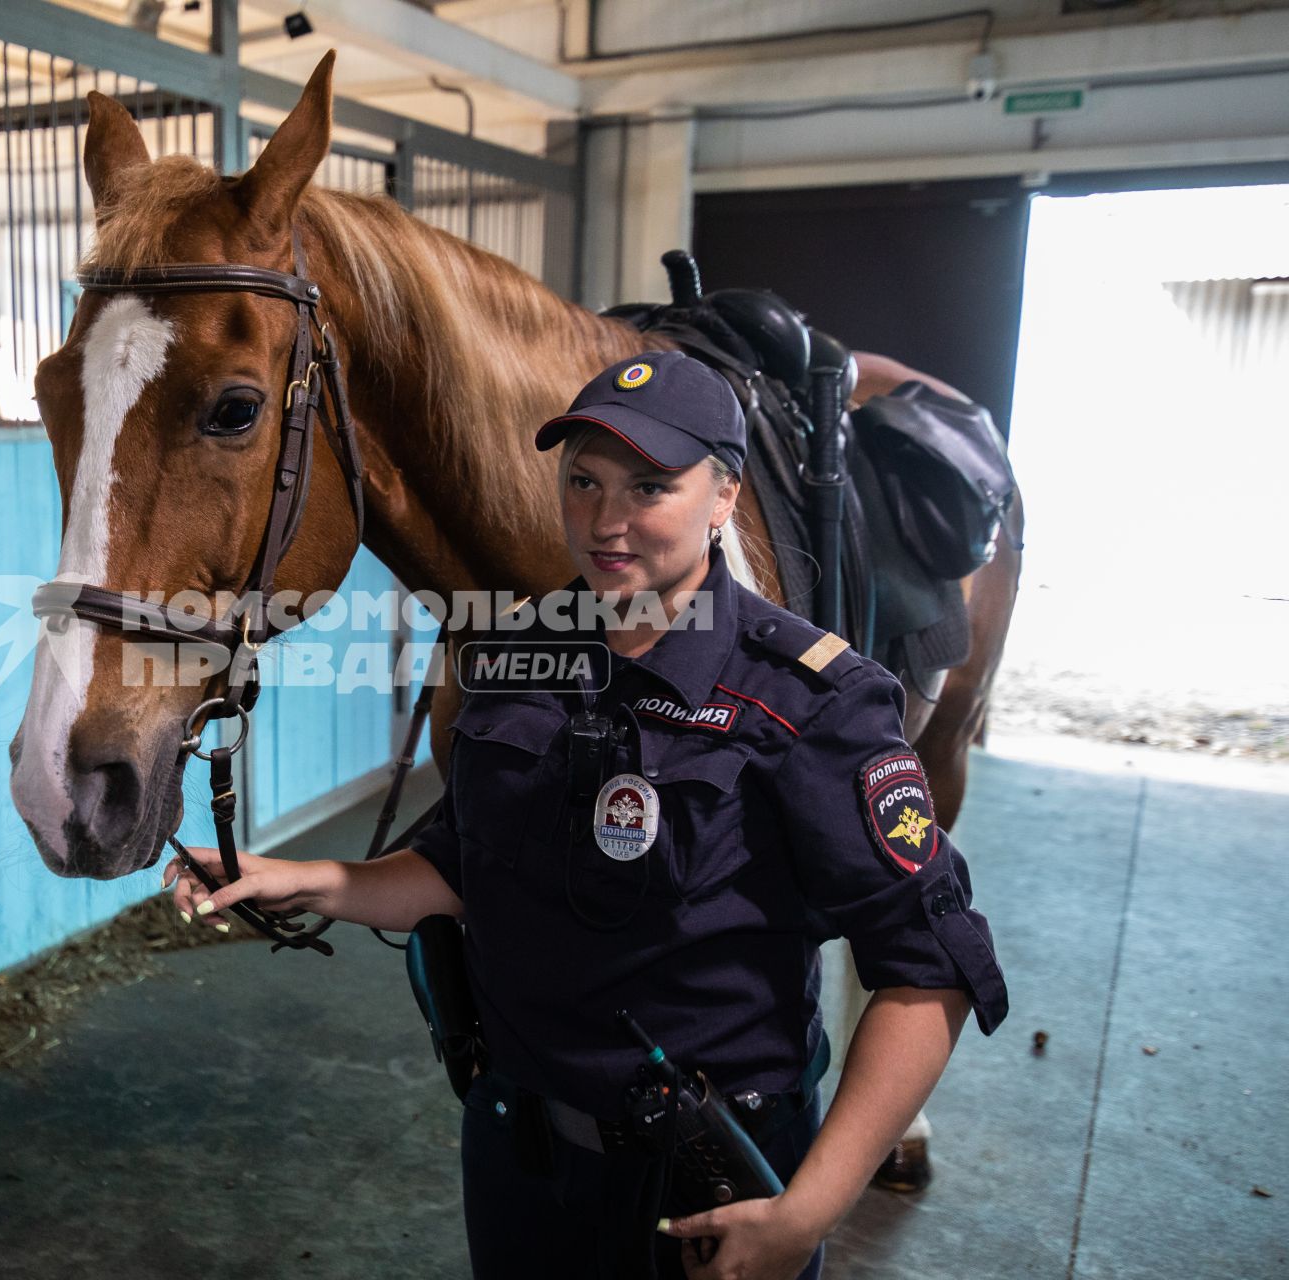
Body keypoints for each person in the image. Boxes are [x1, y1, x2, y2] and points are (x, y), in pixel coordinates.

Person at [167, 350, 1007, 1279]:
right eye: (583, 482)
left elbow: (930, 971)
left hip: (714, 1175)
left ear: (724, 495)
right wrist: (305, 880)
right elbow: (464, 865)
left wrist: (807, 1210)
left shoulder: (812, 700)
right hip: (517, 1153)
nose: (606, 522)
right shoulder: (512, 653)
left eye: (651, 486)